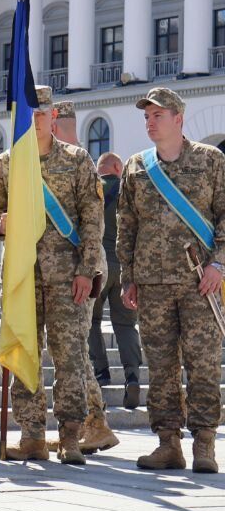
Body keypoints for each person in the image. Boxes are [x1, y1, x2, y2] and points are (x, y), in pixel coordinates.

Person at [0, 87, 106, 464]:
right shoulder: (5, 164)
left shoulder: (77, 160)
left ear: (54, 116)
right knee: (25, 349)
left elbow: (91, 221)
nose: (36, 119)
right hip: (23, 276)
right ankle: (32, 434)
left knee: (69, 357)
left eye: (42, 113)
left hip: (68, 277)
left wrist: (87, 271)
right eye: (29, 113)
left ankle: (70, 435)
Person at [117, 87, 225, 473]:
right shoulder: (136, 167)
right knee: (161, 366)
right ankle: (168, 443)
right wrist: (128, 277)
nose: (150, 122)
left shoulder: (211, 161)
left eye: (157, 115)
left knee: (203, 364)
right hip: (152, 283)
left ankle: (205, 445)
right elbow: (126, 225)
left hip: (201, 282)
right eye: (146, 116)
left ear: (178, 118)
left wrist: (220, 266)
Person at [89, 150, 144, 409]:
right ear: (117, 167)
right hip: (123, 268)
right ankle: (132, 376)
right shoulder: (128, 191)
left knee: (92, 321)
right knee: (125, 325)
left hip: (96, 267)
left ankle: (100, 372)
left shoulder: (91, 189)